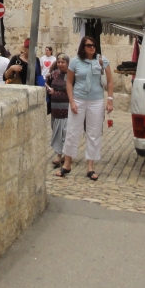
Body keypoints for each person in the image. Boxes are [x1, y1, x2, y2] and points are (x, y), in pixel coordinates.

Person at [58, 36, 113, 181]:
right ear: (83, 47)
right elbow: (69, 82)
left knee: (93, 133)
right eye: (89, 45)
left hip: (96, 100)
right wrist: (72, 101)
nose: (92, 47)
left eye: (94, 45)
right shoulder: (75, 61)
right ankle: (67, 164)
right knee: (72, 130)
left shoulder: (101, 60)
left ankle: (90, 166)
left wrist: (110, 101)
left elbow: (110, 80)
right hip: (78, 98)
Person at [45, 53, 70, 168]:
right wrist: (48, 86)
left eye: (63, 62)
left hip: (66, 108)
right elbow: (47, 83)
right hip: (55, 107)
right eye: (59, 62)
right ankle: (63, 153)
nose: (60, 64)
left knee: (64, 132)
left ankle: (59, 155)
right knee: (56, 131)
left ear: (67, 63)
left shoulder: (71, 76)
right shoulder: (54, 74)